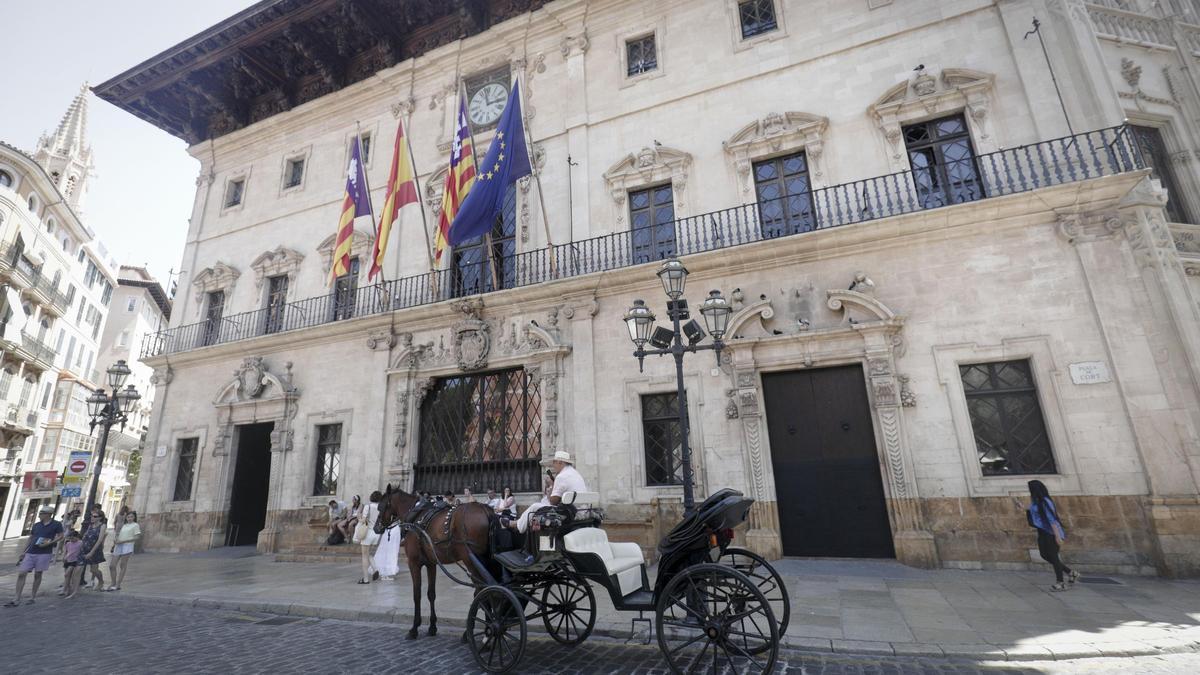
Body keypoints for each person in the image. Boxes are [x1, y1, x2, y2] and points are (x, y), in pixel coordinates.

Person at [514, 450, 587, 534]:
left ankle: (517, 525)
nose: (553, 465)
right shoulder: (575, 473)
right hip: (582, 509)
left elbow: (553, 501)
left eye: (554, 462)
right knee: (544, 501)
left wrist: (552, 485)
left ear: (560, 462)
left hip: (570, 512)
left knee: (534, 506)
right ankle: (519, 523)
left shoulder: (562, 476)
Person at [6, 505, 64, 606]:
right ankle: (16, 598)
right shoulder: (37, 525)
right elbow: (31, 538)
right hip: (31, 552)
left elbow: (61, 536)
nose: (40, 515)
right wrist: (24, 551)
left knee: (38, 574)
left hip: (44, 553)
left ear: (48, 514)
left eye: (42, 513)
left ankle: (32, 597)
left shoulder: (56, 524)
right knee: (22, 573)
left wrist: (49, 543)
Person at [1027, 480, 1079, 591]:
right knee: (1044, 555)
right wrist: (1023, 507)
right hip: (1042, 531)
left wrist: (1057, 536)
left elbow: (1052, 519)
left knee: (1054, 556)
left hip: (1051, 532)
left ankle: (1061, 583)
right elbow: (1035, 514)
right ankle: (1071, 572)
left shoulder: (1045, 501)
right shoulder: (1036, 502)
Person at [107, 511, 141, 591]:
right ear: (126, 517)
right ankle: (113, 582)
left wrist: (124, 541)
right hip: (119, 545)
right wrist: (116, 539)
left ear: (134, 518)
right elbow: (120, 534)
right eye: (128, 517)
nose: (130, 518)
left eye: (131, 517)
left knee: (122, 565)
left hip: (127, 546)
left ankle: (118, 584)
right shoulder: (124, 525)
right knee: (112, 565)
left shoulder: (135, 525)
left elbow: (137, 537)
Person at [355, 492, 383, 584]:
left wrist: (358, 516)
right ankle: (375, 569)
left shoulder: (368, 506)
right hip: (376, 534)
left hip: (368, 533)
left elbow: (363, 520)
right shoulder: (381, 508)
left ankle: (365, 579)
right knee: (368, 553)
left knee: (364, 556)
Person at [78, 507, 108, 592]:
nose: (92, 517)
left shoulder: (102, 526)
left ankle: (101, 582)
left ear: (100, 517)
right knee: (80, 567)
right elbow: (85, 536)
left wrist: (92, 552)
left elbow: (100, 539)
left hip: (95, 550)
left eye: (95, 516)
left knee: (93, 569)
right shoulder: (90, 525)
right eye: (92, 516)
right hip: (86, 548)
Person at [60, 531, 83, 599]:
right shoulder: (68, 543)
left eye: (73, 538)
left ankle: (66, 589)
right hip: (68, 560)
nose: (71, 540)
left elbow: (82, 551)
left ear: (77, 537)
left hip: (74, 561)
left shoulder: (80, 543)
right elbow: (66, 551)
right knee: (67, 576)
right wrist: (64, 557)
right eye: (70, 538)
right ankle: (67, 589)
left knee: (67, 574)